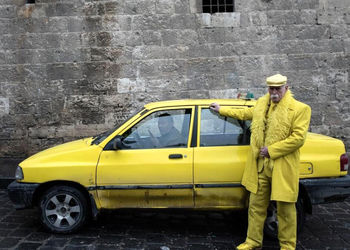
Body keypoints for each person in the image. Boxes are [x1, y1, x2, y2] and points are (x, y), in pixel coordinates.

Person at [210, 74, 311, 250]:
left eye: (277, 88)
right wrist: (221, 109)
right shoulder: (261, 105)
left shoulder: (300, 109)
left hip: (282, 167)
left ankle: (288, 246)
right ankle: (253, 241)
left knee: (286, 210)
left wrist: (271, 150)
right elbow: (244, 113)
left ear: (286, 88)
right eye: (271, 88)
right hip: (260, 167)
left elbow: (298, 139)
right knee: (255, 207)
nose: (274, 92)